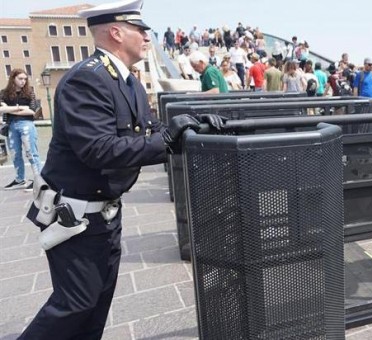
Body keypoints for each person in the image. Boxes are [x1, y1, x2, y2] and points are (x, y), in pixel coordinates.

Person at [17, 1, 216, 338]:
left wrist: (192, 128)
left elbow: (150, 132)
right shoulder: (87, 80)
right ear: (116, 32)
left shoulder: (128, 83)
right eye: (140, 30)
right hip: (76, 217)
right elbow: (99, 150)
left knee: (95, 306)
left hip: (104, 214)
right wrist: (168, 138)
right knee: (74, 304)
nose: (147, 37)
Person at [0, 68, 43, 190]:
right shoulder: (4, 93)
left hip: (26, 124)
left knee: (31, 153)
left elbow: (32, 111)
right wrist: (20, 108)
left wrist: (9, 108)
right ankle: (19, 179)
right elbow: (0, 110)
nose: (23, 81)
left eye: (25, 79)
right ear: (13, 78)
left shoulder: (30, 93)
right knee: (15, 154)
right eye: (20, 79)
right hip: (11, 126)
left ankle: (38, 181)